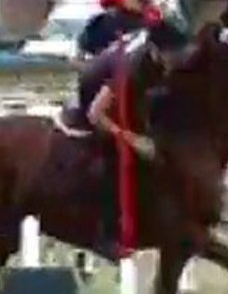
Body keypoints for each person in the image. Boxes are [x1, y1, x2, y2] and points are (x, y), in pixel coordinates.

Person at [79, 19, 190, 257]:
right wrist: (131, 139)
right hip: (94, 95)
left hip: (134, 89)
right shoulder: (131, 69)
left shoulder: (169, 57)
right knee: (117, 157)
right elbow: (95, 114)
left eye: (181, 54)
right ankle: (106, 235)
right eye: (172, 55)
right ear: (155, 50)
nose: (178, 60)